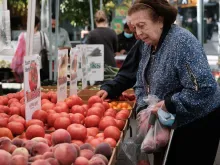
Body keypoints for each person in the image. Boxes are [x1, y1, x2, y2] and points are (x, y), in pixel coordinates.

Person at [97, 0, 220, 165]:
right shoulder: (148, 44)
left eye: (142, 25)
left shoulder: (182, 42)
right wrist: (143, 106)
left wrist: (168, 104)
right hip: (169, 121)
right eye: (135, 28)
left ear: (160, 20)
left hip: (196, 123)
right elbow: (138, 77)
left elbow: (204, 88)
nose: (138, 33)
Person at [11, 16, 50, 82]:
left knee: (28, 87)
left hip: (26, 66)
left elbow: (17, 53)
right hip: (40, 65)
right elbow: (48, 48)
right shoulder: (43, 35)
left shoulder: (22, 36)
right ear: (38, 24)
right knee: (38, 87)